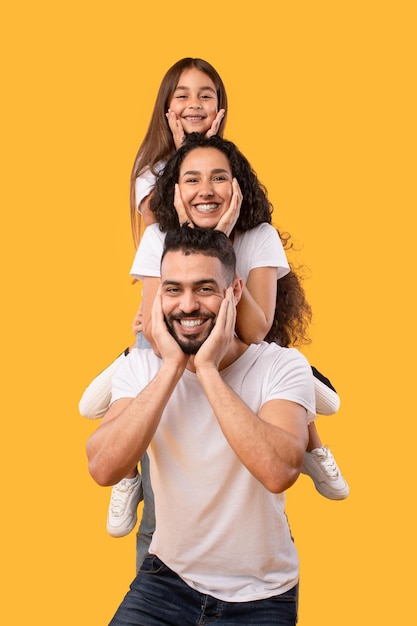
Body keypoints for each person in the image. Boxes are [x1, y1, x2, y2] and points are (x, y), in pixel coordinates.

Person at [79, 60, 348, 542]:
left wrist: (222, 239)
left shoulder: (256, 234)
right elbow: (163, 315)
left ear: (237, 183)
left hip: (238, 349)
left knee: (284, 376)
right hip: (169, 346)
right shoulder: (156, 202)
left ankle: (304, 404)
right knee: (95, 403)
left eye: (219, 178)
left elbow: (254, 331)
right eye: (182, 96)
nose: (205, 189)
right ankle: (128, 469)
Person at [87, 226, 316, 625]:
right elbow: (103, 467)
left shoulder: (280, 365)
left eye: (205, 288)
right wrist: (174, 366)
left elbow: (280, 471)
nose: (187, 304)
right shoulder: (143, 368)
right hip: (166, 581)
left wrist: (206, 369)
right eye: (173, 289)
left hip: (261, 596)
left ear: (235, 292)